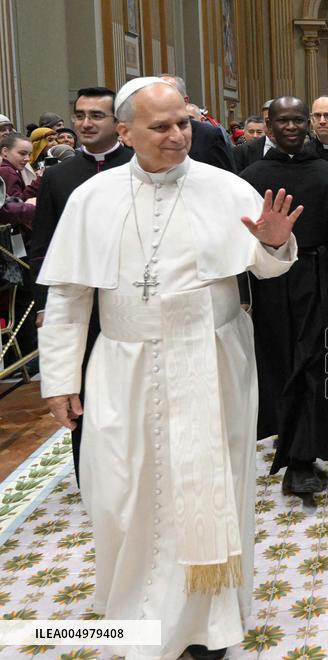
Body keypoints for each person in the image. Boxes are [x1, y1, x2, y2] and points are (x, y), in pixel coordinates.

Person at [36, 77, 299, 660]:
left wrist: (276, 247)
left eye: (182, 122)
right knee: (118, 495)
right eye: (161, 126)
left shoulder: (226, 186)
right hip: (122, 366)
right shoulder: (91, 199)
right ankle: (134, 616)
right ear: (125, 132)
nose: (178, 136)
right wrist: (59, 378)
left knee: (209, 491)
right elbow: (70, 297)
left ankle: (207, 626)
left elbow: (267, 265)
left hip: (211, 358)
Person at [240, 96, 328, 501]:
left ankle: (303, 456)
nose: (292, 127)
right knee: (281, 366)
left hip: (323, 283)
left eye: (298, 120)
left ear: (307, 125)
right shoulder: (251, 176)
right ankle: (295, 449)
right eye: (283, 121)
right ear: (269, 126)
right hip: (269, 287)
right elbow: (237, 239)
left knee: (319, 364)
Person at [29, 86, 135, 486]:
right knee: (84, 388)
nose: (85, 123)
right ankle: (93, 476)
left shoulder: (139, 165)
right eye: (80, 115)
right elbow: (43, 248)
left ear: (118, 123)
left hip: (129, 297)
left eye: (96, 115)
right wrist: (44, 306)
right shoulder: (59, 177)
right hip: (81, 303)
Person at [158, 74, 235, 172]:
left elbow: (227, 179)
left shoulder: (209, 136)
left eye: (168, 96)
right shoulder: (143, 133)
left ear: (185, 101)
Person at [233, 101, 274, 172]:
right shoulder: (240, 151)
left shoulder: (294, 147)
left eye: (259, 132)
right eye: (251, 132)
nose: (255, 136)